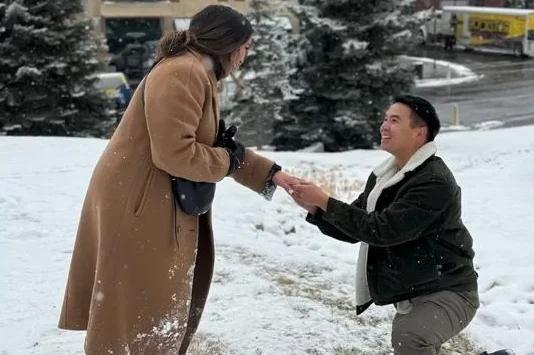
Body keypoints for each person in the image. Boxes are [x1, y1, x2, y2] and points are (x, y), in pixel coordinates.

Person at [58, 5, 298, 354]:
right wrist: (226, 162)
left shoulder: (196, 71)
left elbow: (215, 143)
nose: (248, 54)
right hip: (140, 203)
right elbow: (176, 153)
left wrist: (272, 175)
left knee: (141, 307)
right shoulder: (184, 72)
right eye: (246, 45)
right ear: (227, 44)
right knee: (136, 313)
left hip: (150, 198)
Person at [289, 95, 479, 355]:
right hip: (419, 287)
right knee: (410, 338)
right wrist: (317, 208)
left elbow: (381, 230)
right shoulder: (385, 176)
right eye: (384, 119)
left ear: (419, 132)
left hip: (451, 291)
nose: (384, 126)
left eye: (394, 120)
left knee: (410, 336)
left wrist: (325, 201)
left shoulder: (433, 182)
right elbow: (355, 228)